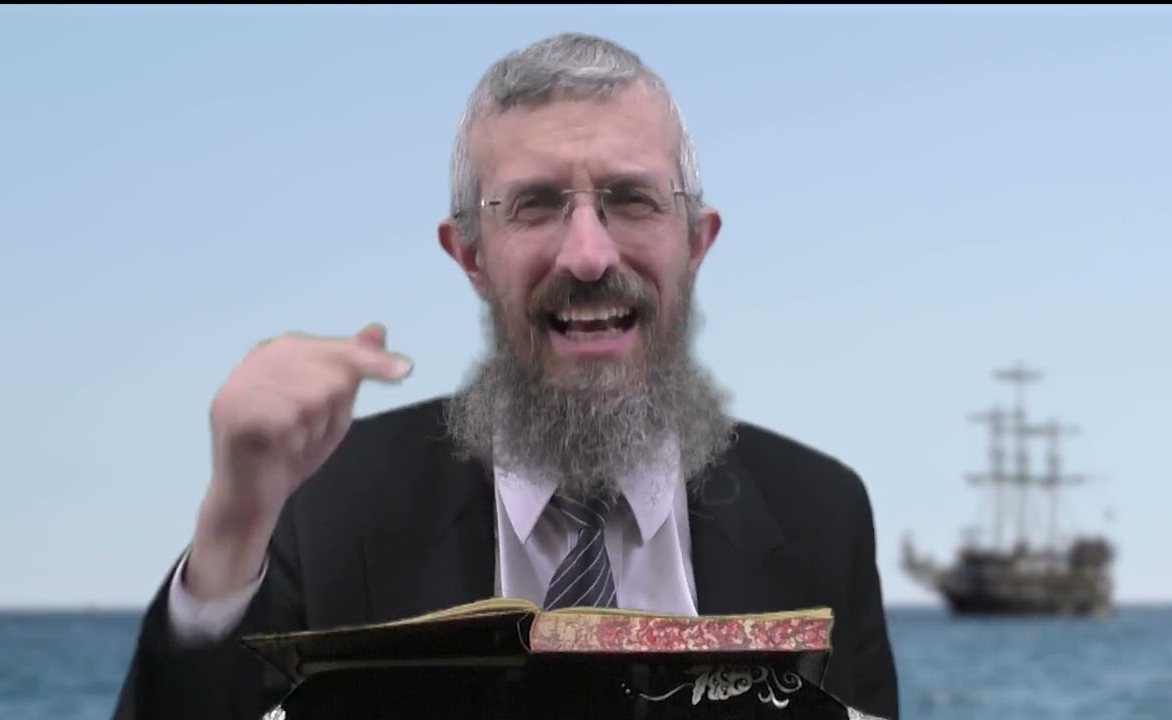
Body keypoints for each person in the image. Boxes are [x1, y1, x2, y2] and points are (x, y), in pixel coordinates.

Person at [112, 31, 899, 720]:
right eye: (535, 205)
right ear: (471, 256)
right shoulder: (323, 506)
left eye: (632, 200)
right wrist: (231, 530)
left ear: (696, 245)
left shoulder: (822, 515)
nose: (587, 255)